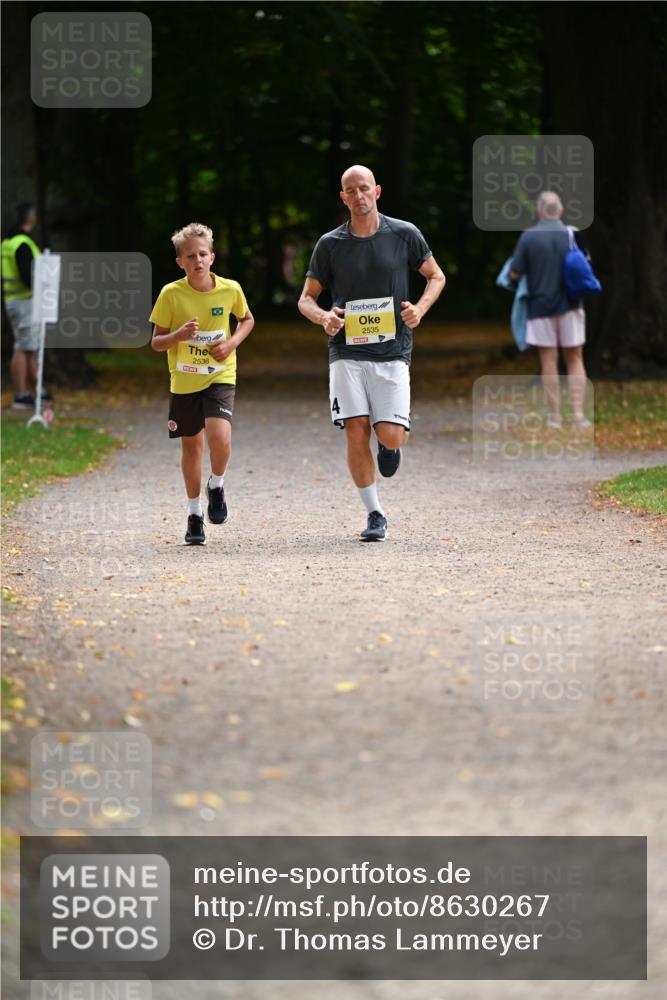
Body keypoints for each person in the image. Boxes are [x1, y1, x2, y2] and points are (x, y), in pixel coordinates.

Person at [298, 165, 446, 541]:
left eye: (364, 188)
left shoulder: (404, 234)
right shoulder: (330, 244)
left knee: (391, 435)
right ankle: (374, 513)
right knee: (355, 429)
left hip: (392, 350)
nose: (359, 196)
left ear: (377, 191)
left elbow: (436, 275)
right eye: (351, 190)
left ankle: (389, 445)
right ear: (343, 197)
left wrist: (419, 309)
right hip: (345, 350)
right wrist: (324, 317)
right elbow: (306, 299)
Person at [150, 222, 254, 545]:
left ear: (212, 257)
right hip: (185, 379)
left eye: (202, 254)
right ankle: (194, 514)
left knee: (220, 437)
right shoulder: (171, 294)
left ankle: (217, 484)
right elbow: (156, 342)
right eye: (190, 256)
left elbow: (247, 319)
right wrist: (179, 335)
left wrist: (231, 344)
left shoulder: (230, 289)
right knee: (192, 447)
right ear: (180, 262)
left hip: (220, 374)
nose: (197, 260)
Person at [509, 191, 591, 429]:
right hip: (571, 305)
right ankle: (578, 416)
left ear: (538, 211)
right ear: (560, 210)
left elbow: (514, 273)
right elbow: (586, 266)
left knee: (548, 360)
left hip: (540, 307)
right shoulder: (573, 234)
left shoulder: (528, 236)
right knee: (575, 358)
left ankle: (555, 417)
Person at [1, 203, 53, 410]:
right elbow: (27, 275)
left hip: (14, 300)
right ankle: (22, 394)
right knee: (24, 347)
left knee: (29, 346)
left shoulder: (8, 242)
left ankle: (37, 391)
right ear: (30, 218)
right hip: (25, 301)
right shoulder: (22, 243)